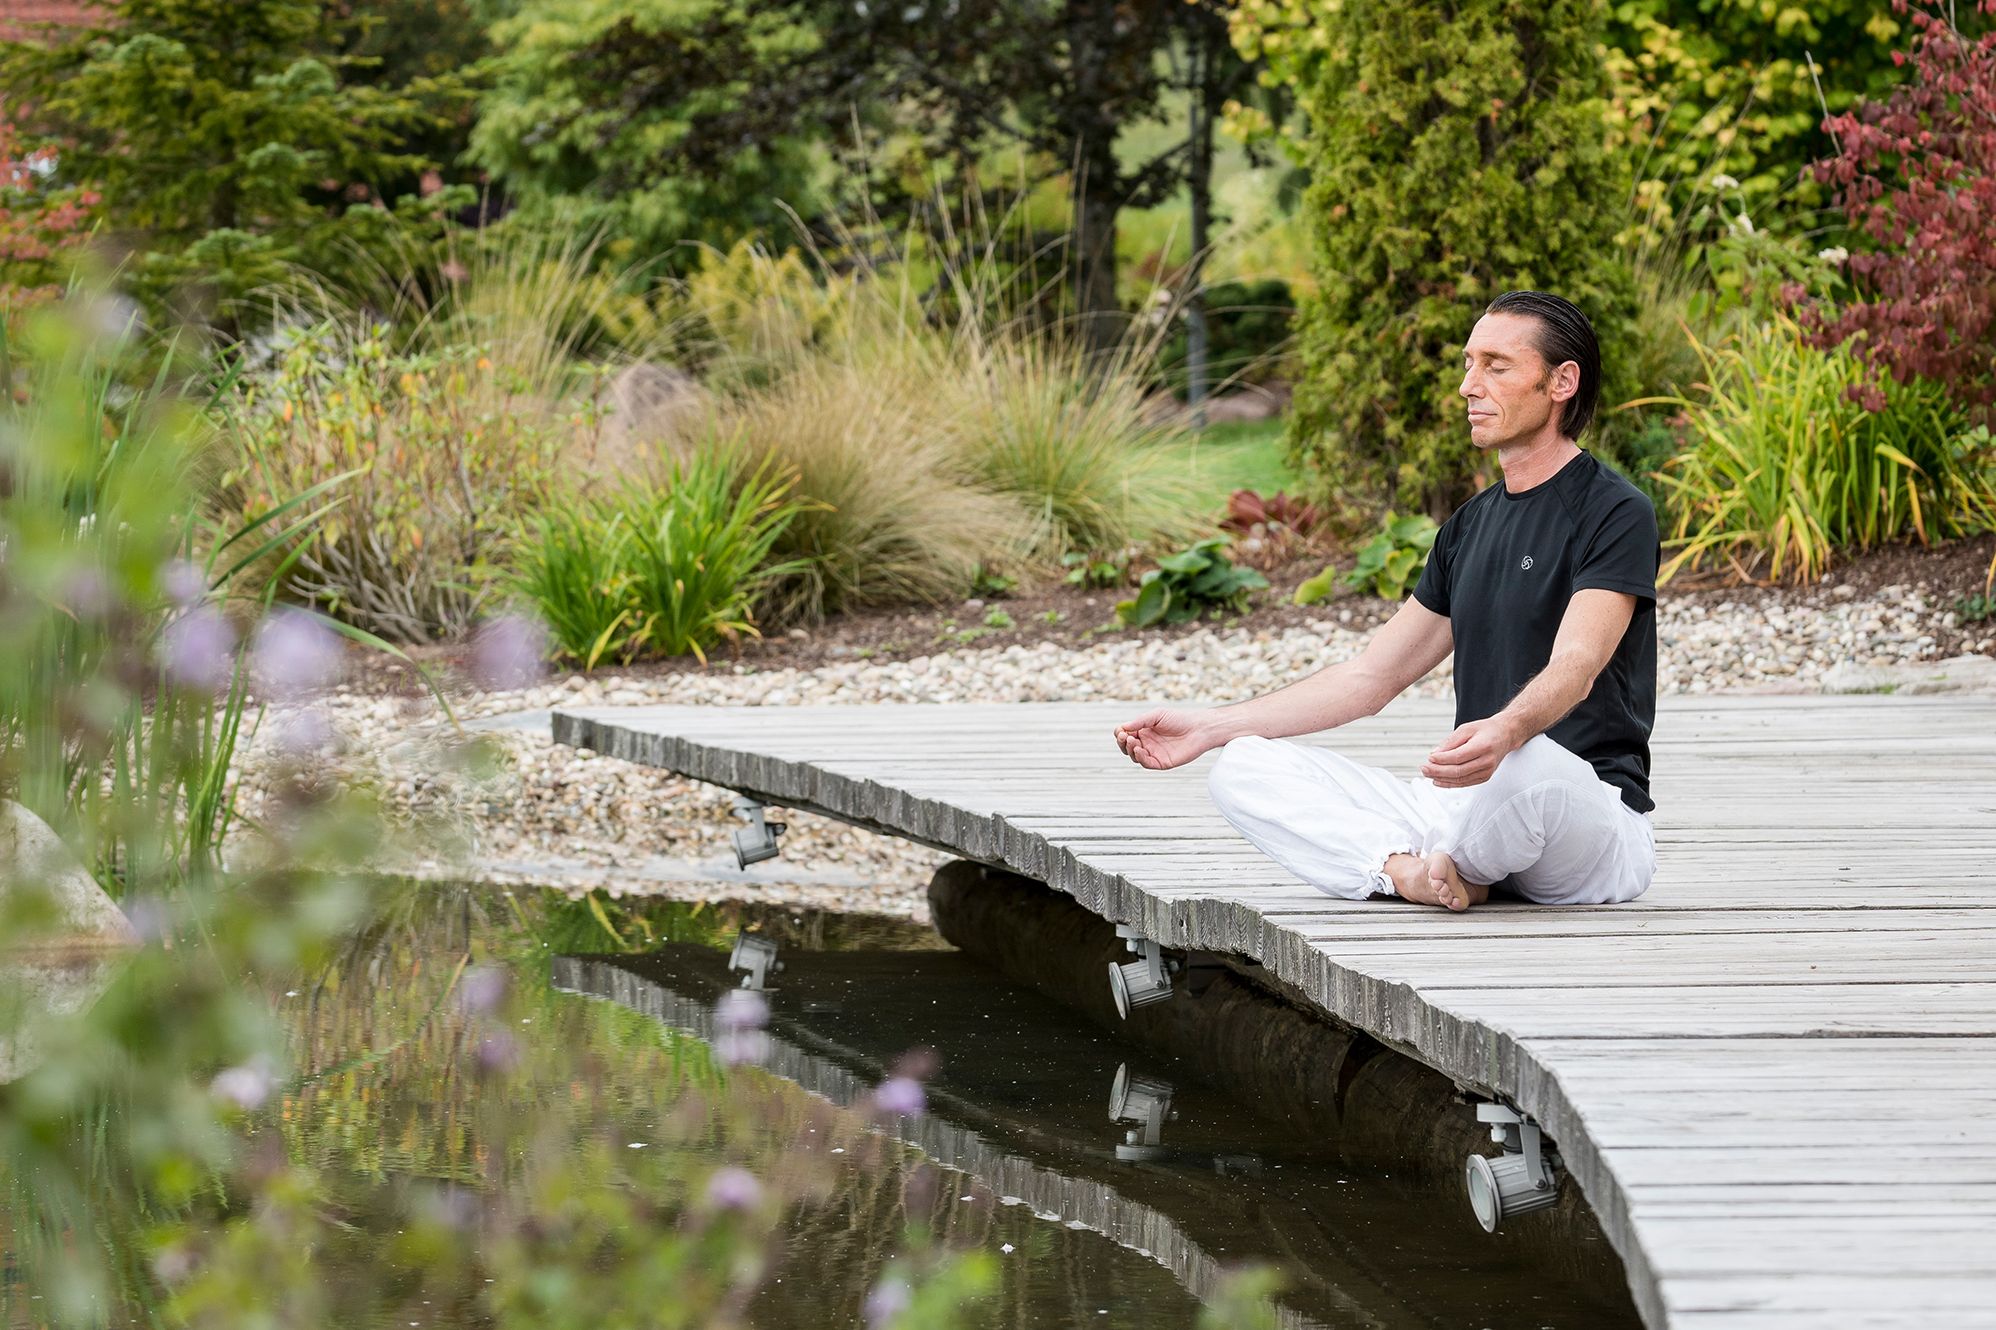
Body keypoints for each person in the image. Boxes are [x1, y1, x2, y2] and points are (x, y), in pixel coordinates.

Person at [1112, 291, 1659, 912]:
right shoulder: (1469, 526)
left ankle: (1459, 866)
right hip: (1468, 807)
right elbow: (1371, 678)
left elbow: (1576, 666)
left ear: (1561, 382)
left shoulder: (1614, 512)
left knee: (1532, 766)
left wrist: (1507, 731)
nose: (1468, 386)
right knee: (1242, 768)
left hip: (1586, 823)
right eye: (1467, 364)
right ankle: (1407, 870)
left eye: (1496, 367)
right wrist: (1208, 729)